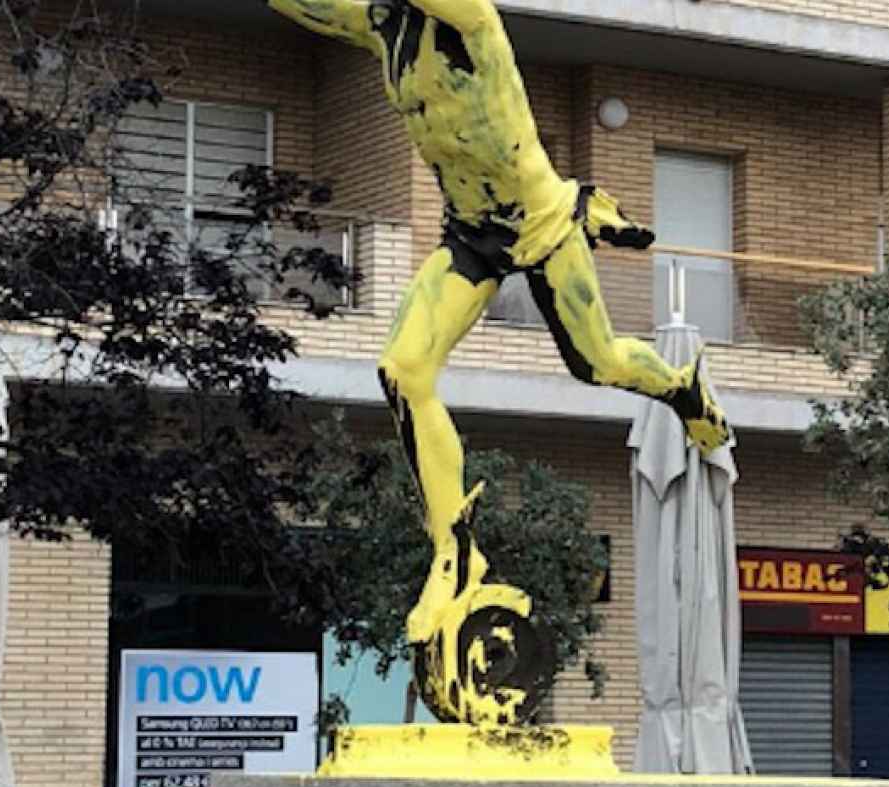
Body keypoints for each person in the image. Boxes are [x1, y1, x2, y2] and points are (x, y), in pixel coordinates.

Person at [268, 0, 734, 671]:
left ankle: (681, 390)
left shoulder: (472, 20)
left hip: (540, 222)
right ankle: (455, 547)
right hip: (471, 233)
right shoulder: (383, 25)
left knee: (597, 363)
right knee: (403, 369)